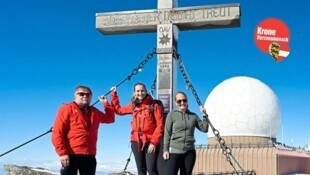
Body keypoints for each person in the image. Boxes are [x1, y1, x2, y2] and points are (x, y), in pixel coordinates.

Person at [51, 85, 115, 175]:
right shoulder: (66, 108)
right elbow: (57, 132)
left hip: (89, 155)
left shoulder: (94, 112)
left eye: (88, 94)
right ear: (75, 95)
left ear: (91, 97)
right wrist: (62, 153)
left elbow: (110, 119)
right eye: (81, 94)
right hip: (70, 154)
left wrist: (105, 104)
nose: (85, 96)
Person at [110, 82, 164, 175]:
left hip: (150, 140)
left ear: (146, 91)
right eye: (138, 91)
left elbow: (160, 125)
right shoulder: (133, 105)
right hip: (136, 140)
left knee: (151, 169)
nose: (140, 93)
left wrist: (154, 143)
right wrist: (113, 95)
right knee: (141, 169)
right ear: (134, 93)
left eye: (142, 90)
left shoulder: (154, 105)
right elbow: (118, 110)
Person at [163, 91, 209, 175]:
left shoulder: (193, 116)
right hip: (174, 152)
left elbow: (204, 129)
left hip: (189, 152)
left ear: (187, 101)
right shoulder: (172, 115)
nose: (182, 103)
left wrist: (204, 115)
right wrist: (165, 149)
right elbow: (167, 133)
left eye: (184, 100)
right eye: (179, 101)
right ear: (175, 102)